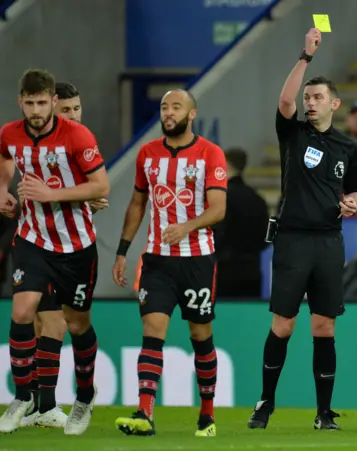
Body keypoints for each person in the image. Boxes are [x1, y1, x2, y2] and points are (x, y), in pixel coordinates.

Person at [247, 28, 357, 431]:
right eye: (307, 98)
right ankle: (265, 403)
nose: (309, 103)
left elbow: (355, 192)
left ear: (334, 103)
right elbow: (283, 100)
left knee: (324, 325)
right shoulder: (293, 134)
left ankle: (324, 412)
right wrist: (305, 56)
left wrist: (353, 203)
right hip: (293, 240)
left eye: (317, 98)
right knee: (283, 323)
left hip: (329, 241)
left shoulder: (348, 148)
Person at [0, 69, 110, 435]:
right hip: (32, 238)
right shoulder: (11, 133)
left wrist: (56, 196)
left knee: (74, 323)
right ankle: (26, 397)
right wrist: (4, 188)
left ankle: (81, 398)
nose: (35, 109)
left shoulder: (77, 136)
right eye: (29, 103)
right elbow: (5, 158)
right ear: (22, 102)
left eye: (41, 102)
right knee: (25, 310)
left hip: (76, 246)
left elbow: (101, 184)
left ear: (50, 103)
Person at [112, 89, 227, 438]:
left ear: (191, 114)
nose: (169, 112)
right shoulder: (147, 155)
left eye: (176, 106)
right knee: (152, 331)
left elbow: (218, 209)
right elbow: (137, 204)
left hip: (197, 261)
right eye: (164, 107)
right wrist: (122, 250)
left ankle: (207, 415)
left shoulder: (210, 153)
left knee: (200, 334)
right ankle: (144, 413)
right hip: (157, 261)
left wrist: (187, 227)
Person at [215, 147, 269, 298]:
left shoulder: (222, 198)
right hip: (252, 271)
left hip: (225, 272)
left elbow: (217, 235)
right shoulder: (257, 199)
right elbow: (267, 236)